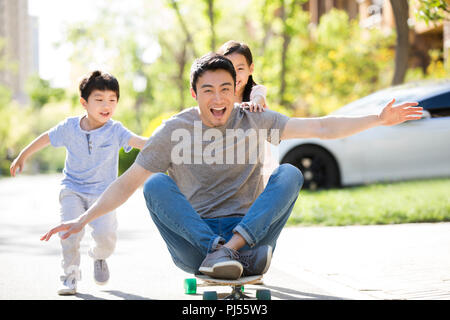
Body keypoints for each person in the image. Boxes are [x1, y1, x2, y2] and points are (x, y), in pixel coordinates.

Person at [40, 53, 422, 281]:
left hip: (251, 236)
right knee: (154, 184)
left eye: (226, 88)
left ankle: (233, 250)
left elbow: (321, 126)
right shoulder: (174, 129)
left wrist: (377, 118)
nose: (218, 98)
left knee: (288, 173)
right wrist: (82, 220)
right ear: (194, 94)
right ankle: (219, 252)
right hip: (195, 245)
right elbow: (127, 184)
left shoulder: (252, 118)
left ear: (236, 90)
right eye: (208, 90)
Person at [10, 70, 147, 295]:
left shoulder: (115, 130)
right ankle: (70, 276)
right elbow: (45, 137)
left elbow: (141, 142)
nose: (107, 106)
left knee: (106, 238)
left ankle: (100, 257)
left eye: (112, 100)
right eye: (99, 100)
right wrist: (22, 155)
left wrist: (166, 144)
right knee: (70, 234)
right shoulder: (69, 127)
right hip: (72, 189)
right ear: (84, 102)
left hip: (105, 195)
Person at [218, 40, 277, 186]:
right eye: (229, 69)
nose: (235, 75)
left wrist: (252, 105)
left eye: (240, 69)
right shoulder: (219, 98)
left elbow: (259, 99)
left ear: (251, 69)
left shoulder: (255, 92)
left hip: (258, 166)